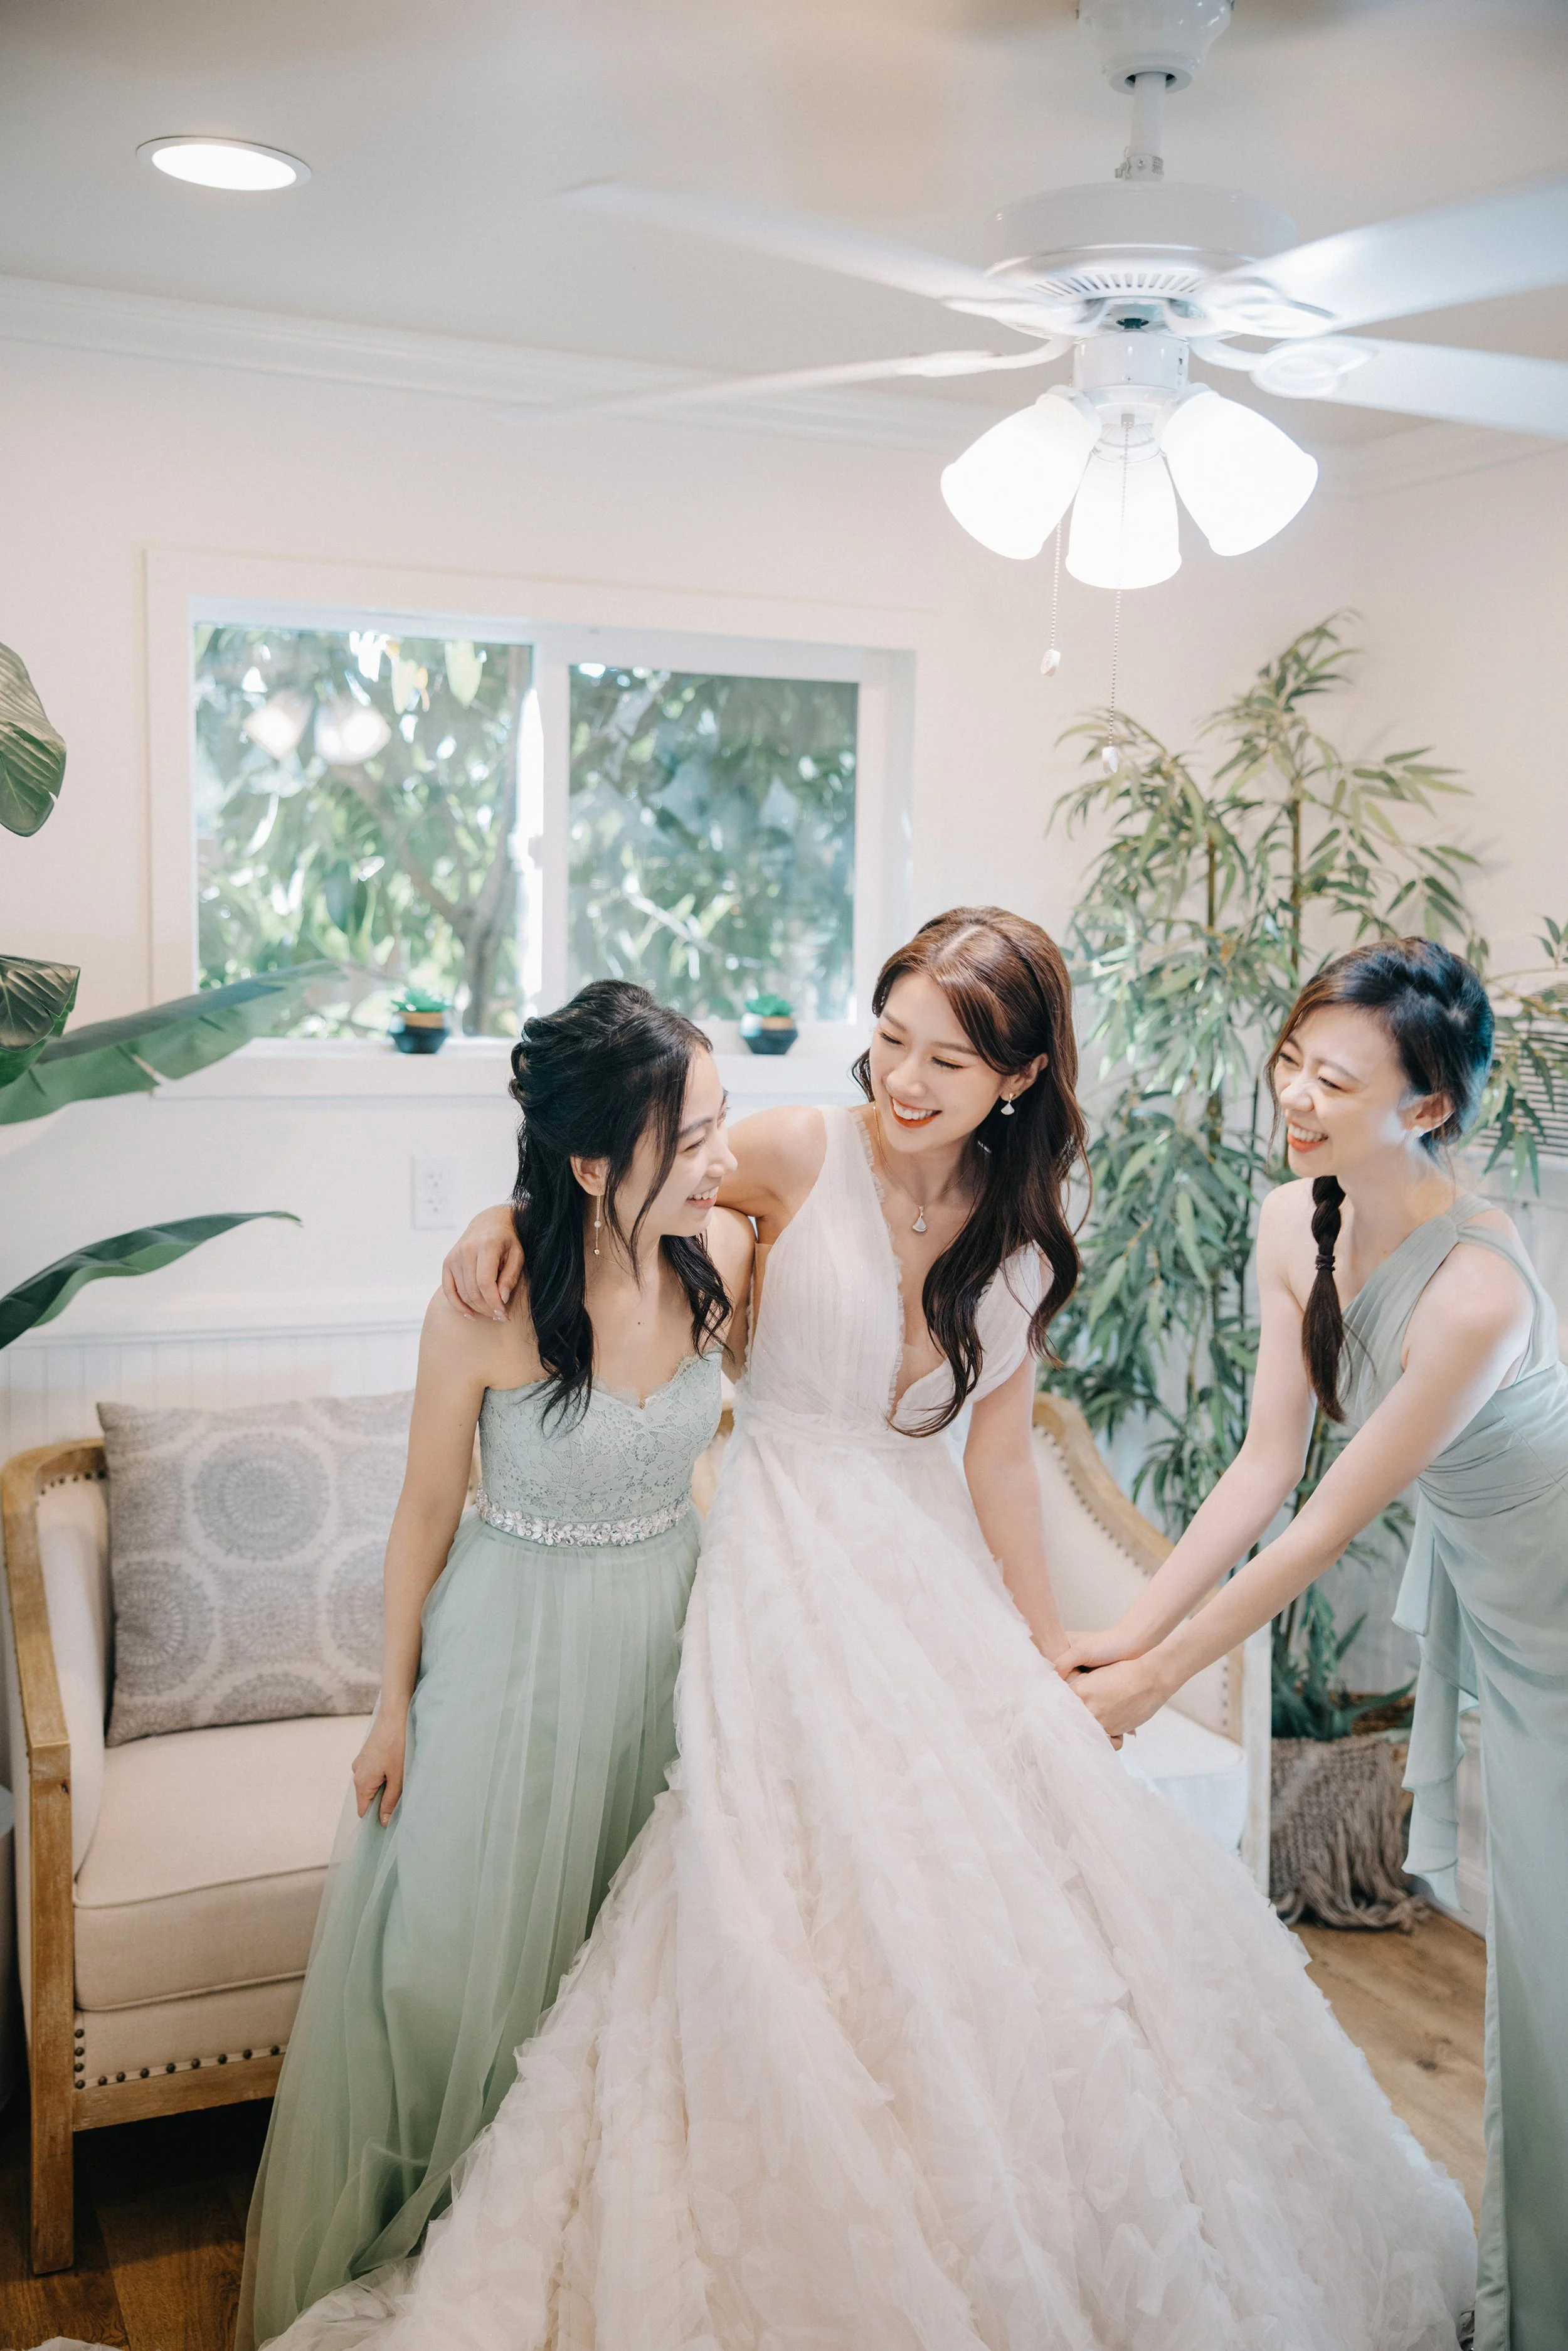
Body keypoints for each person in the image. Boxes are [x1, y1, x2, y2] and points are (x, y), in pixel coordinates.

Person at [266, 909, 1474, 2351]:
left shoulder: (1030, 1225)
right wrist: (497, 1215)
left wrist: (1045, 1647)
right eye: (890, 1037)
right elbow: (630, 1206)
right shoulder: (790, 1150)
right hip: (773, 1561)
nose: (903, 1078)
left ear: (1016, 1079)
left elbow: (1000, 1456)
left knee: (1009, 1900)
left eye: (947, 1060)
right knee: (781, 1885)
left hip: (920, 1569)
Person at [1058, 936, 1567, 2351]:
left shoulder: (1477, 1289)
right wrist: (1128, 1624)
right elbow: (1260, 1468)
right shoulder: (1292, 1217)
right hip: (1505, 1606)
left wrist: (1153, 1684)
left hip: (1561, 1605)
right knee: (1537, 1971)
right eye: (1289, 1057)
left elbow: (1326, 1527)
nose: (1291, 1090)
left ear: (1423, 1107)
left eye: (1331, 1077)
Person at [237, 982, 752, 2350]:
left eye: (720, 1123)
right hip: (510, 1658)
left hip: (666, 1652)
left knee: (622, 1970)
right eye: (689, 1135)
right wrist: (388, 1707)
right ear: (593, 1162)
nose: (720, 1157)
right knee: (456, 1973)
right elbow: (419, 1514)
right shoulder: (489, 1300)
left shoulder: (727, 1258)